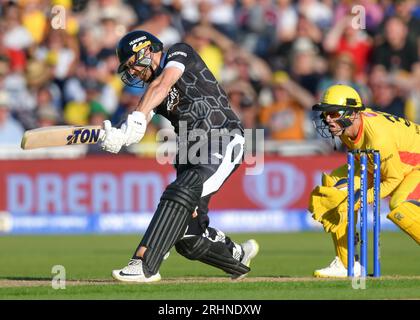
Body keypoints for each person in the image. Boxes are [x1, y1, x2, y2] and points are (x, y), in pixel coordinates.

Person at [99, 30, 259, 282]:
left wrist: (138, 117)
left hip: (222, 137)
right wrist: (118, 134)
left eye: (132, 65)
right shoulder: (152, 93)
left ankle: (143, 263)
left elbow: (162, 85)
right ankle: (236, 255)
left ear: (146, 51)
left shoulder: (179, 52)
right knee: (188, 239)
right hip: (190, 153)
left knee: (181, 190)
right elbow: (140, 118)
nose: (132, 72)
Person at [309, 84, 420, 277]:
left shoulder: (378, 138)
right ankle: (347, 265)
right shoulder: (349, 126)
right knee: (331, 191)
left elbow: (392, 179)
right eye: (326, 114)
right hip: (385, 165)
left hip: (414, 166)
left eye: (333, 113)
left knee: (398, 204)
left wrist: (357, 200)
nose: (327, 120)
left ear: (351, 113)